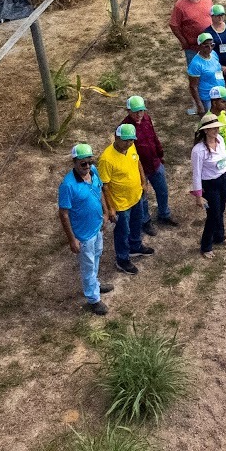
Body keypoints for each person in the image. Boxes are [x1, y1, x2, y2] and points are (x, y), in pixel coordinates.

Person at [57, 143, 112, 315]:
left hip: (97, 228)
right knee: (88, 266)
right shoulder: (68, 185)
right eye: (83, 163)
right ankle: (93, 299)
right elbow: (63, 214)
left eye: (90, 162)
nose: (87, 166)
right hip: (83, 235)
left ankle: (94, 285)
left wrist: (105, 213)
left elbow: (100, 191)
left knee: (96, 257)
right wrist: (72, 239)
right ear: (74, 162)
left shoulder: (94, 172)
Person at [99, 124, 151, 274]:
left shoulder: (131, 147)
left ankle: (135, 246)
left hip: (136, 196)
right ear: (116, 137)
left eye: (131, 140)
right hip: (120, 204)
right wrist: (110, 208)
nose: (128, 143)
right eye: (125, 140)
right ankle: (122, 259)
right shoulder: (106, 159)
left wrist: (143, 182)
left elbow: (137, 162)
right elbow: (105, 186)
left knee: (136, 223)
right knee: (122, 232)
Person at [121, 96, 175, 231]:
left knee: (162, 191)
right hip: (139, 169)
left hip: (155, 163)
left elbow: (153, 137)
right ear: (128, 111)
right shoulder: (125, 128)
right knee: (143, 197)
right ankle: (145, 221)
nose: (139, 114)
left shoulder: (146, 118)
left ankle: (164, 214)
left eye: (141, 110)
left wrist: (160, 154)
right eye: (135, 111)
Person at [190, 113, 226, 259]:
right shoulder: (198, 150)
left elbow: (225, 159)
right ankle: (206, 245)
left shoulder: (220, 140)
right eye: (212, 128)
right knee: (213, 214)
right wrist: (198, 196)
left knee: (221, 210)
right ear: (205, 130)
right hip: (210, 185)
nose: (216, 130)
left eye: (217, 127)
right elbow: (196, 174)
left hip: (223, 179)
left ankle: (219, 236)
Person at [169, 0, 213, 70]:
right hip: (193, 48)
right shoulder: (180, 5)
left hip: (209, 45)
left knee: (210, 70)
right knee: (195, 72)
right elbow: (173, 25)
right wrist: (183, 41)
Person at [186, 32, 226, 117]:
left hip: (220, 93)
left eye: (212, 45)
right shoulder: (196, 64)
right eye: (206, 46)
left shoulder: (213, 54)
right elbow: (193, 86)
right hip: (208, 98)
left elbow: (216, 68)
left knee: (221, 118)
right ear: (200, 46)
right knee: (210, 120)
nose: (210, 48)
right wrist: (199, 105)